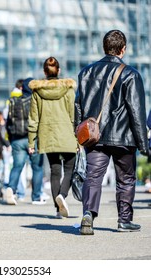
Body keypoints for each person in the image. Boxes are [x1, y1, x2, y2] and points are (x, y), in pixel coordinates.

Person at [75, 30, 149, 235]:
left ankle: (88, 214)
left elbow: (78, 107)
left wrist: (78, 132)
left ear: (104, 47)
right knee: (126, 178)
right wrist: (143, 144)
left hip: (94, 136)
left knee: (93, 176)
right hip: (123, 137)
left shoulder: (86, 73)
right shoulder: (131, 74)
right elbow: (136, 112)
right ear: (123, 49)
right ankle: (124, 220)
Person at [28, 57, 77, 218]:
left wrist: (31, 141)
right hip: (67, 134)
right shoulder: (68, 90)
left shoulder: (37, 92)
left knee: (55, 171)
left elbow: (33, 118)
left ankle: (58, 210)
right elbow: (73, 115)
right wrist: (78, 138)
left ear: (44, 72)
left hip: (47, 135)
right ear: (59, 71)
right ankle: (62, 195)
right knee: (70, 169)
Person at [5, 77, 45, 205]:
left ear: (22, 88)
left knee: (17, 167)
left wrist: (11, 139)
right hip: (33, 138)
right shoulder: (36, 101)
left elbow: (8, 123)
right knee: (37, 168)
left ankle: (11, 189)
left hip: (17, 139)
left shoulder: (12, 101)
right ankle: (36, 196)